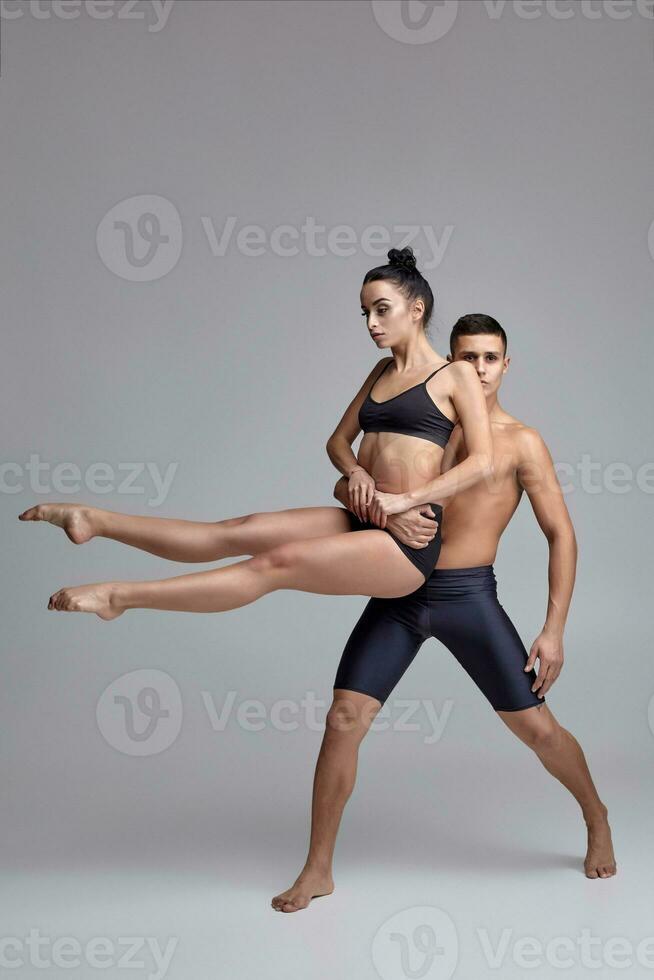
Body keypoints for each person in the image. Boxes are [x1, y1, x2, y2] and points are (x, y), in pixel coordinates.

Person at [270, 314, 616, 913]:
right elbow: (354, 486)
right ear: (448, 364)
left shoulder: (518, 442)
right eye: (466, 358)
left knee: (536, 728)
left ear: (507, 365)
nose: (477, 369)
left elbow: (561, 534)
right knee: (343, 718)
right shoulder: (421, 424)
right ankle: (318, 868)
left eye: (489, 358)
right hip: (399, 594)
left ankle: (596, 815)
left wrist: (554, 629)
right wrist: (352, 477)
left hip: (466, 597)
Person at [17, 247, 492, 613]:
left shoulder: (455, 375)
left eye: (381, 309)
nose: (370, 322)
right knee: (239, 529)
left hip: (407, 543)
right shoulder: (379, 372)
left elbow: (481, 461)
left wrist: (403, 502)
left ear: (417, 308)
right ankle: (95, 521)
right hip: (366, 514)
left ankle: (118, 598)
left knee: (273, 565)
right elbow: (336, 442)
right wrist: (357, 475)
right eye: (365, 312)